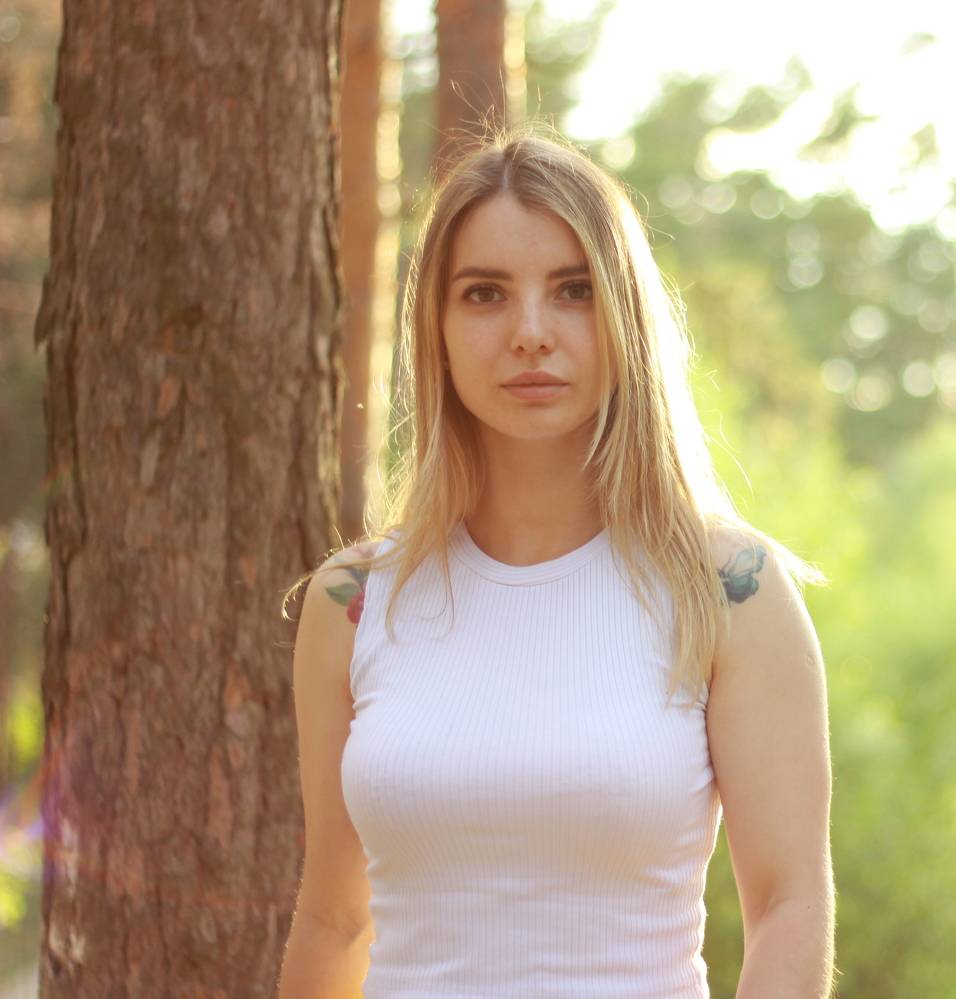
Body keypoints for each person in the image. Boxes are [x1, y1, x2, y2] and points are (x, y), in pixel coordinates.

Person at [275, 119, 835, 998]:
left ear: (623, 315)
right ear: (437, 328)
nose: (531, 332)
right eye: (485, 293)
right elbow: (334, 920)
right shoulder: (353, 600)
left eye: (573, 290)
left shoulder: (730, 591)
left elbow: (787, 907)